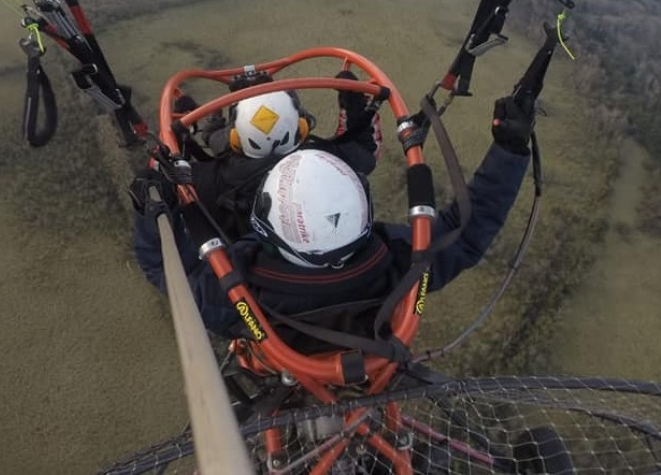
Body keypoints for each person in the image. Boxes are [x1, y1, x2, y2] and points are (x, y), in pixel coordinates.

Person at [131, 92, 535, 342]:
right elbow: (464, 234)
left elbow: (168, 271)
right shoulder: (399, 264)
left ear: (267, 227)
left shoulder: (235, 292)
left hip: (275, 350)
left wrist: (151, 215)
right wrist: (510, 149)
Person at [157, 70, 382, 240]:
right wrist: (353, 103)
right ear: (301, 127)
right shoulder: (329, 161)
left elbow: (173, 182)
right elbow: (366, 149)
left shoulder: (210, 181)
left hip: (247, 251)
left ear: (235, 140)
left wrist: (189, 134)